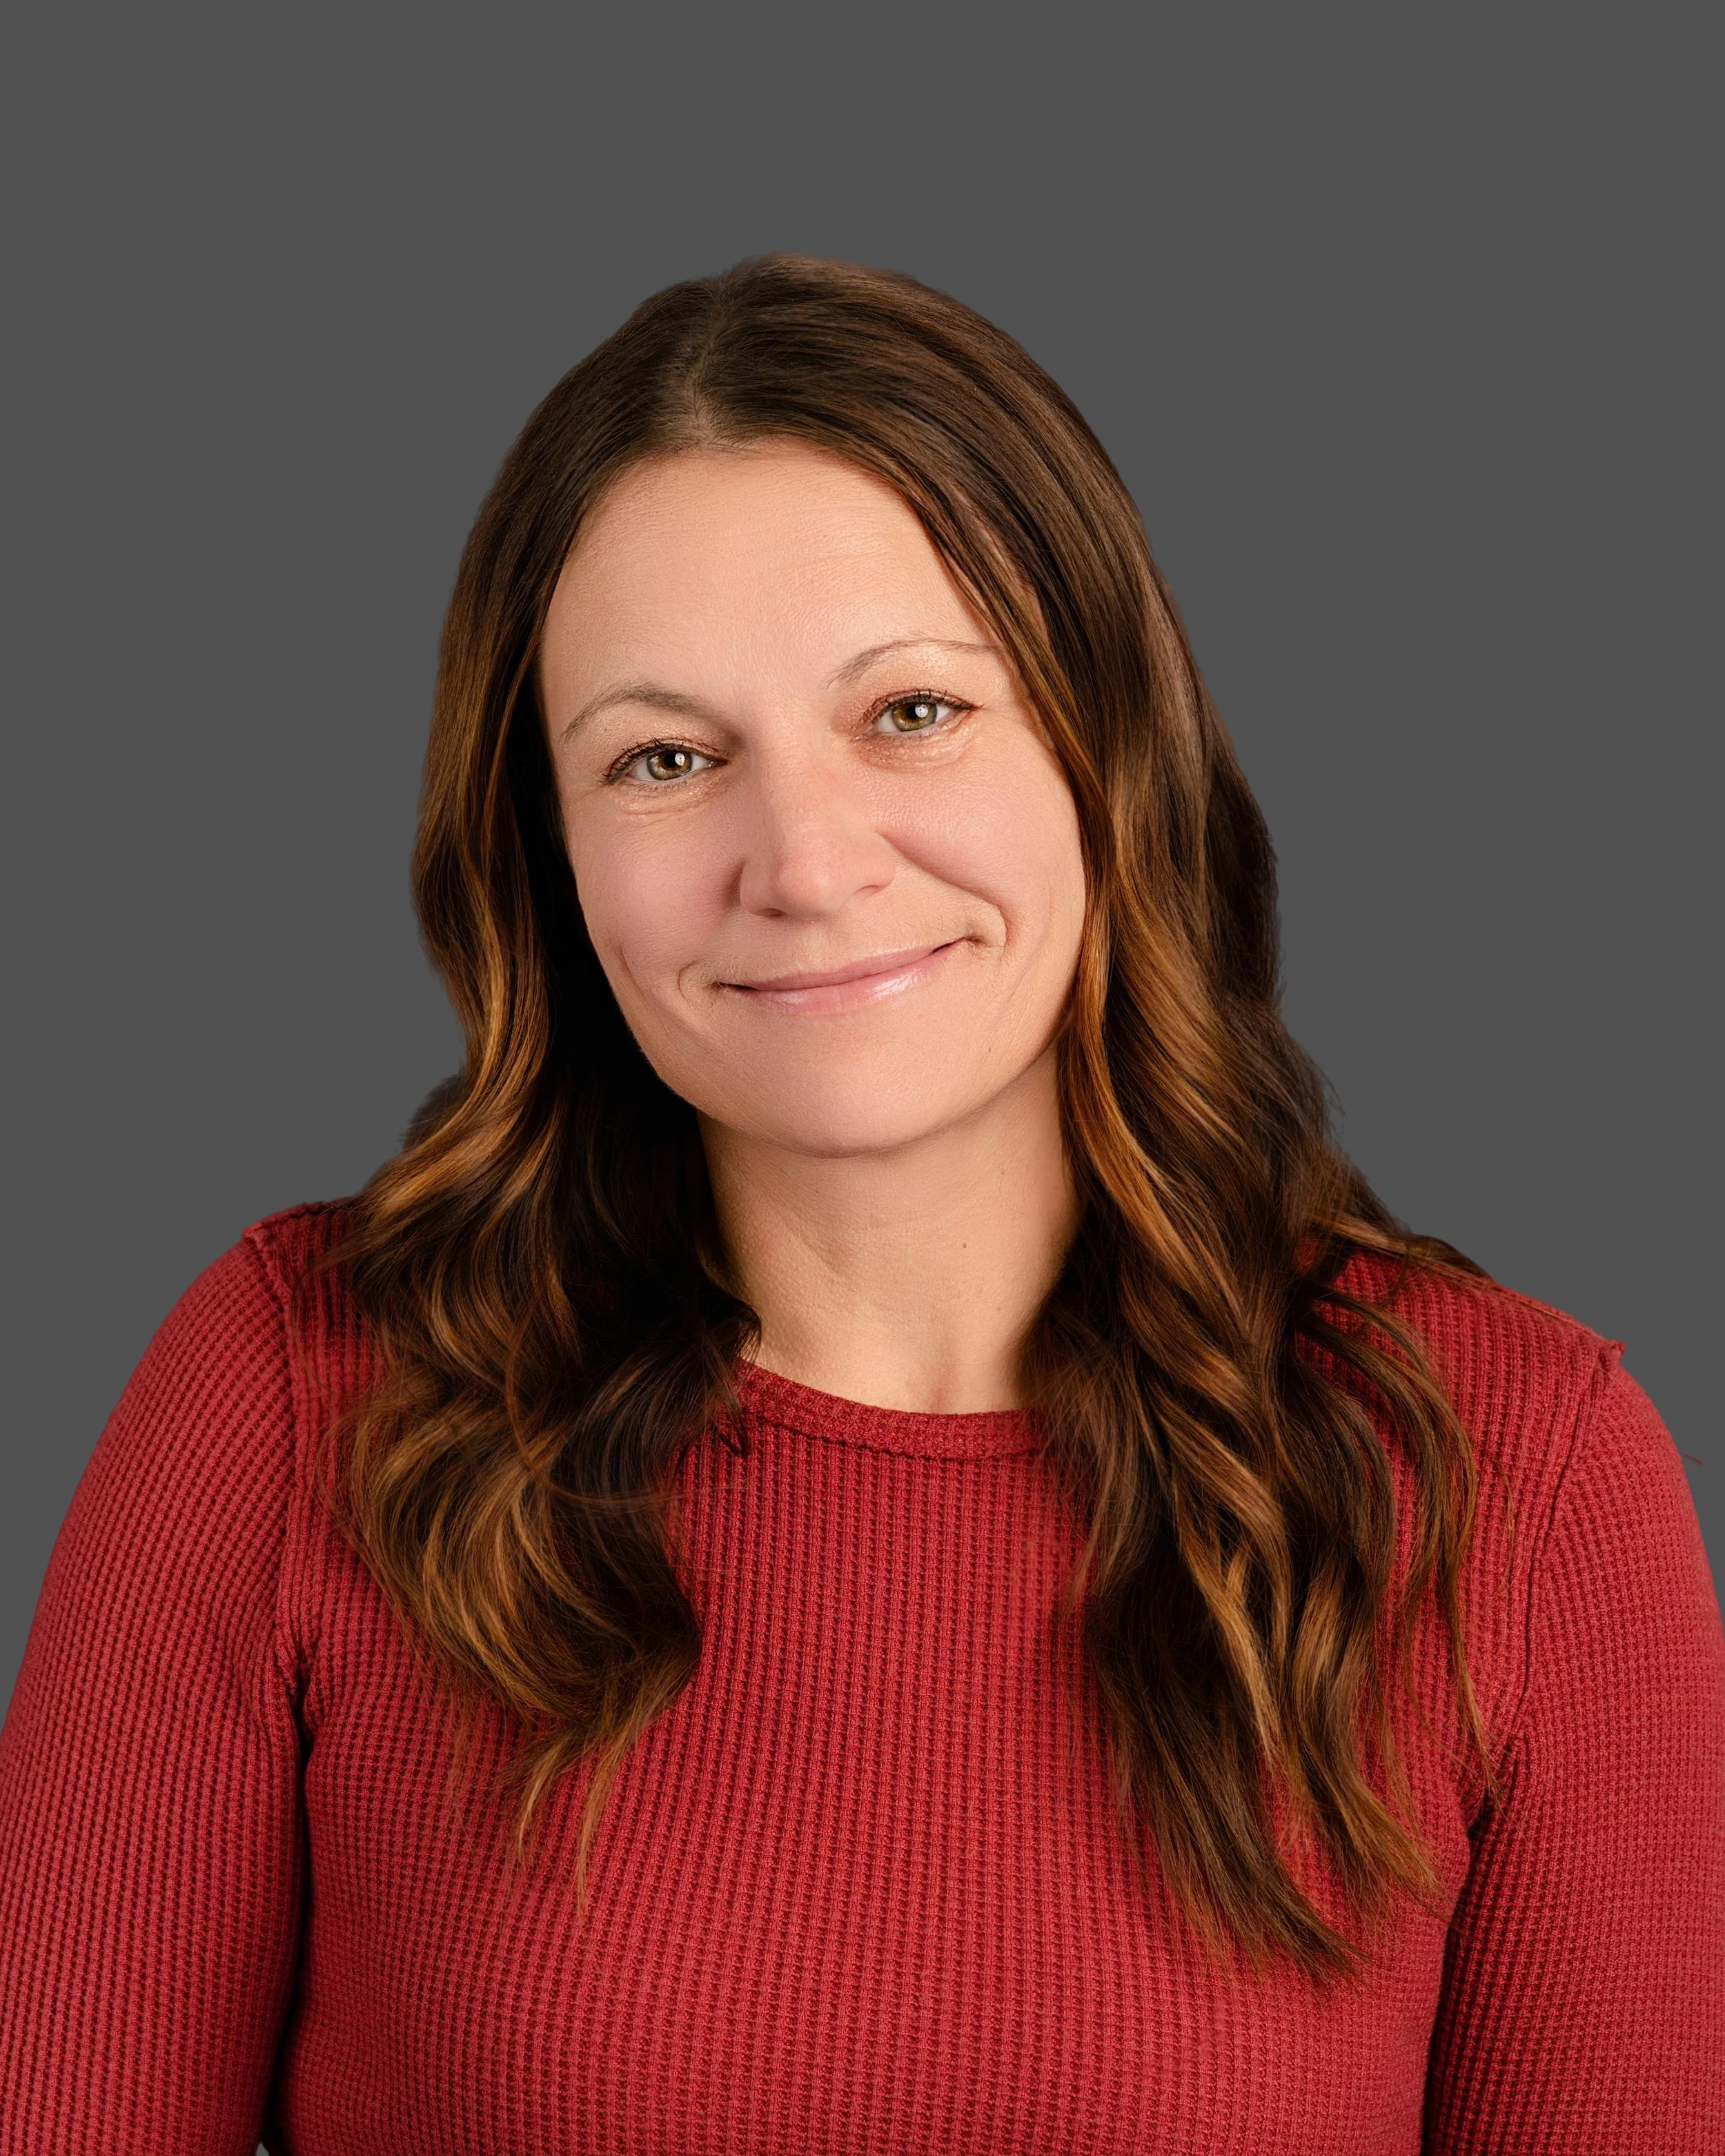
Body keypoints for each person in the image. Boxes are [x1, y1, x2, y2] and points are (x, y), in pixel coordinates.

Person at [1, 253, 1719, 2155]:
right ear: (548, 857)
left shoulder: (1512, 1475)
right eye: (664, 758)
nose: (803, 862)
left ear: (1103, 749)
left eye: (909, 711)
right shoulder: (296, 1393)